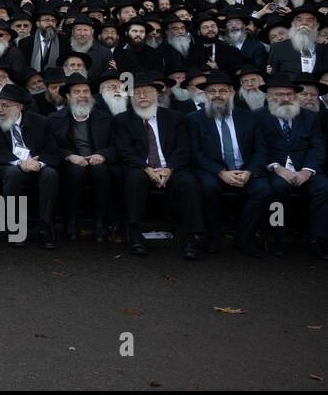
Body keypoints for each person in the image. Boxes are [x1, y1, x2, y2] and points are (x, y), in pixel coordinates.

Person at [112, 72, 206, 259]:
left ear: (156, 95)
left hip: (171, 167)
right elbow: (125, 151)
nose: (142, 96)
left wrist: (169, 169)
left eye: (147, 92)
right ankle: (134, 234)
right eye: (137, 93)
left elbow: (183, 148)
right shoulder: (122, 120)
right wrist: (147, 169)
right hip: (141, 168)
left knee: (189, 183)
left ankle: (193, 237)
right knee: (134, 179)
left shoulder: (175, 118)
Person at [186, 71, 270, 257]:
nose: (217, 95)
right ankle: (214, 237)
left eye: (222, 91)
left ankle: (244, 238)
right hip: (213, 171)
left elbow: (261, 150)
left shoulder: (250, 117)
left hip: (245, 169)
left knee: (264, 190)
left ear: (232, 93)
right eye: (212, 91)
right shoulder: (194, 119)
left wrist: (248, 171)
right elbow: (195, 153)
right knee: (208, 187)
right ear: (205, 95)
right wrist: (221, 172)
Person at [253, 74, 328, 259]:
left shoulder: (310, 117)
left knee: (324, 188)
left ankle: (318, 238)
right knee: (277, 189)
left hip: (305, 168)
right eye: (279, 95)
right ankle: (279, 236)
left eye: (289, 94)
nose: (285, 99)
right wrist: (277, 168)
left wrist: (307, 170)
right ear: (268, 97)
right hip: (275, 169)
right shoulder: (258, 117)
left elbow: (317, 146)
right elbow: (258, 148)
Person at [0, 83, 61, 248]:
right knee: (13, 173)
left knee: (50, 174)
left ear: (19, 107)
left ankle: (46, 225)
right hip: (5, 166)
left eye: (6, 105)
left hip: (34, 164)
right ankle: (16, 226)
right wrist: (20, 163)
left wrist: (38, 163)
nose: (0, 109)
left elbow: (52, 152)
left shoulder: (40, 122)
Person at [47, 74, 118, 242]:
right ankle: (70, 220)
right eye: (77, 91)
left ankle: (100, 221)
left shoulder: (106, 118)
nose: (82, 95)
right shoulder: (54, 119)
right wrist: (69, 156)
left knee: (101, 171)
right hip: (69, 163)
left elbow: (117, 146)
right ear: (68, 96)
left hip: (97, 161)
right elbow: (49, 147)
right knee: (76, 171)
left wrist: (102, 155)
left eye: (86, 91)